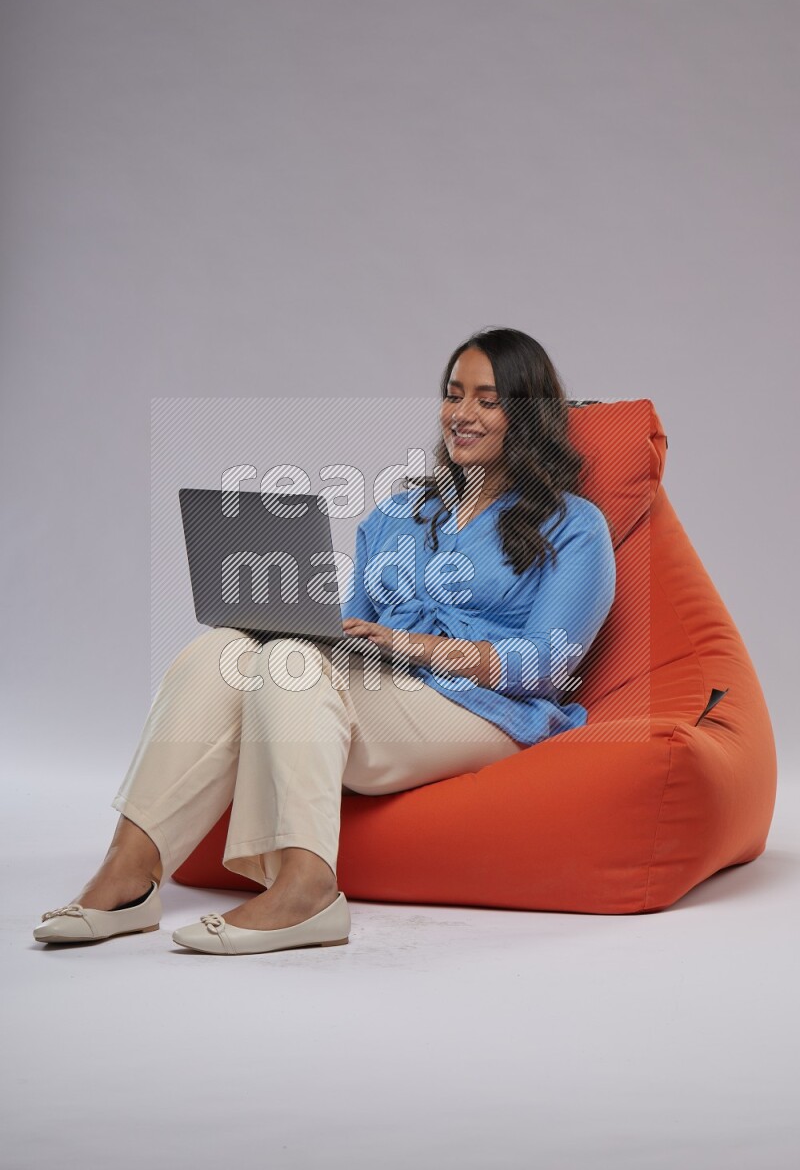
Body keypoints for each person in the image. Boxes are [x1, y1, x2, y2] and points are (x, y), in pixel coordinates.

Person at [33, 326, 616, 955]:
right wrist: (302, 624)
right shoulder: (400, 514)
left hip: (487, 710)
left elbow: (549, 662)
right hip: (390, 695)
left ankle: (306, 890)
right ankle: (128, 872)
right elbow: (347, 632)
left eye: (487, 400)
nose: (462, 415)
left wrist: (407, 644)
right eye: (453, 395)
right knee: (222, 652)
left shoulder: (575, 524)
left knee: (291, 663)